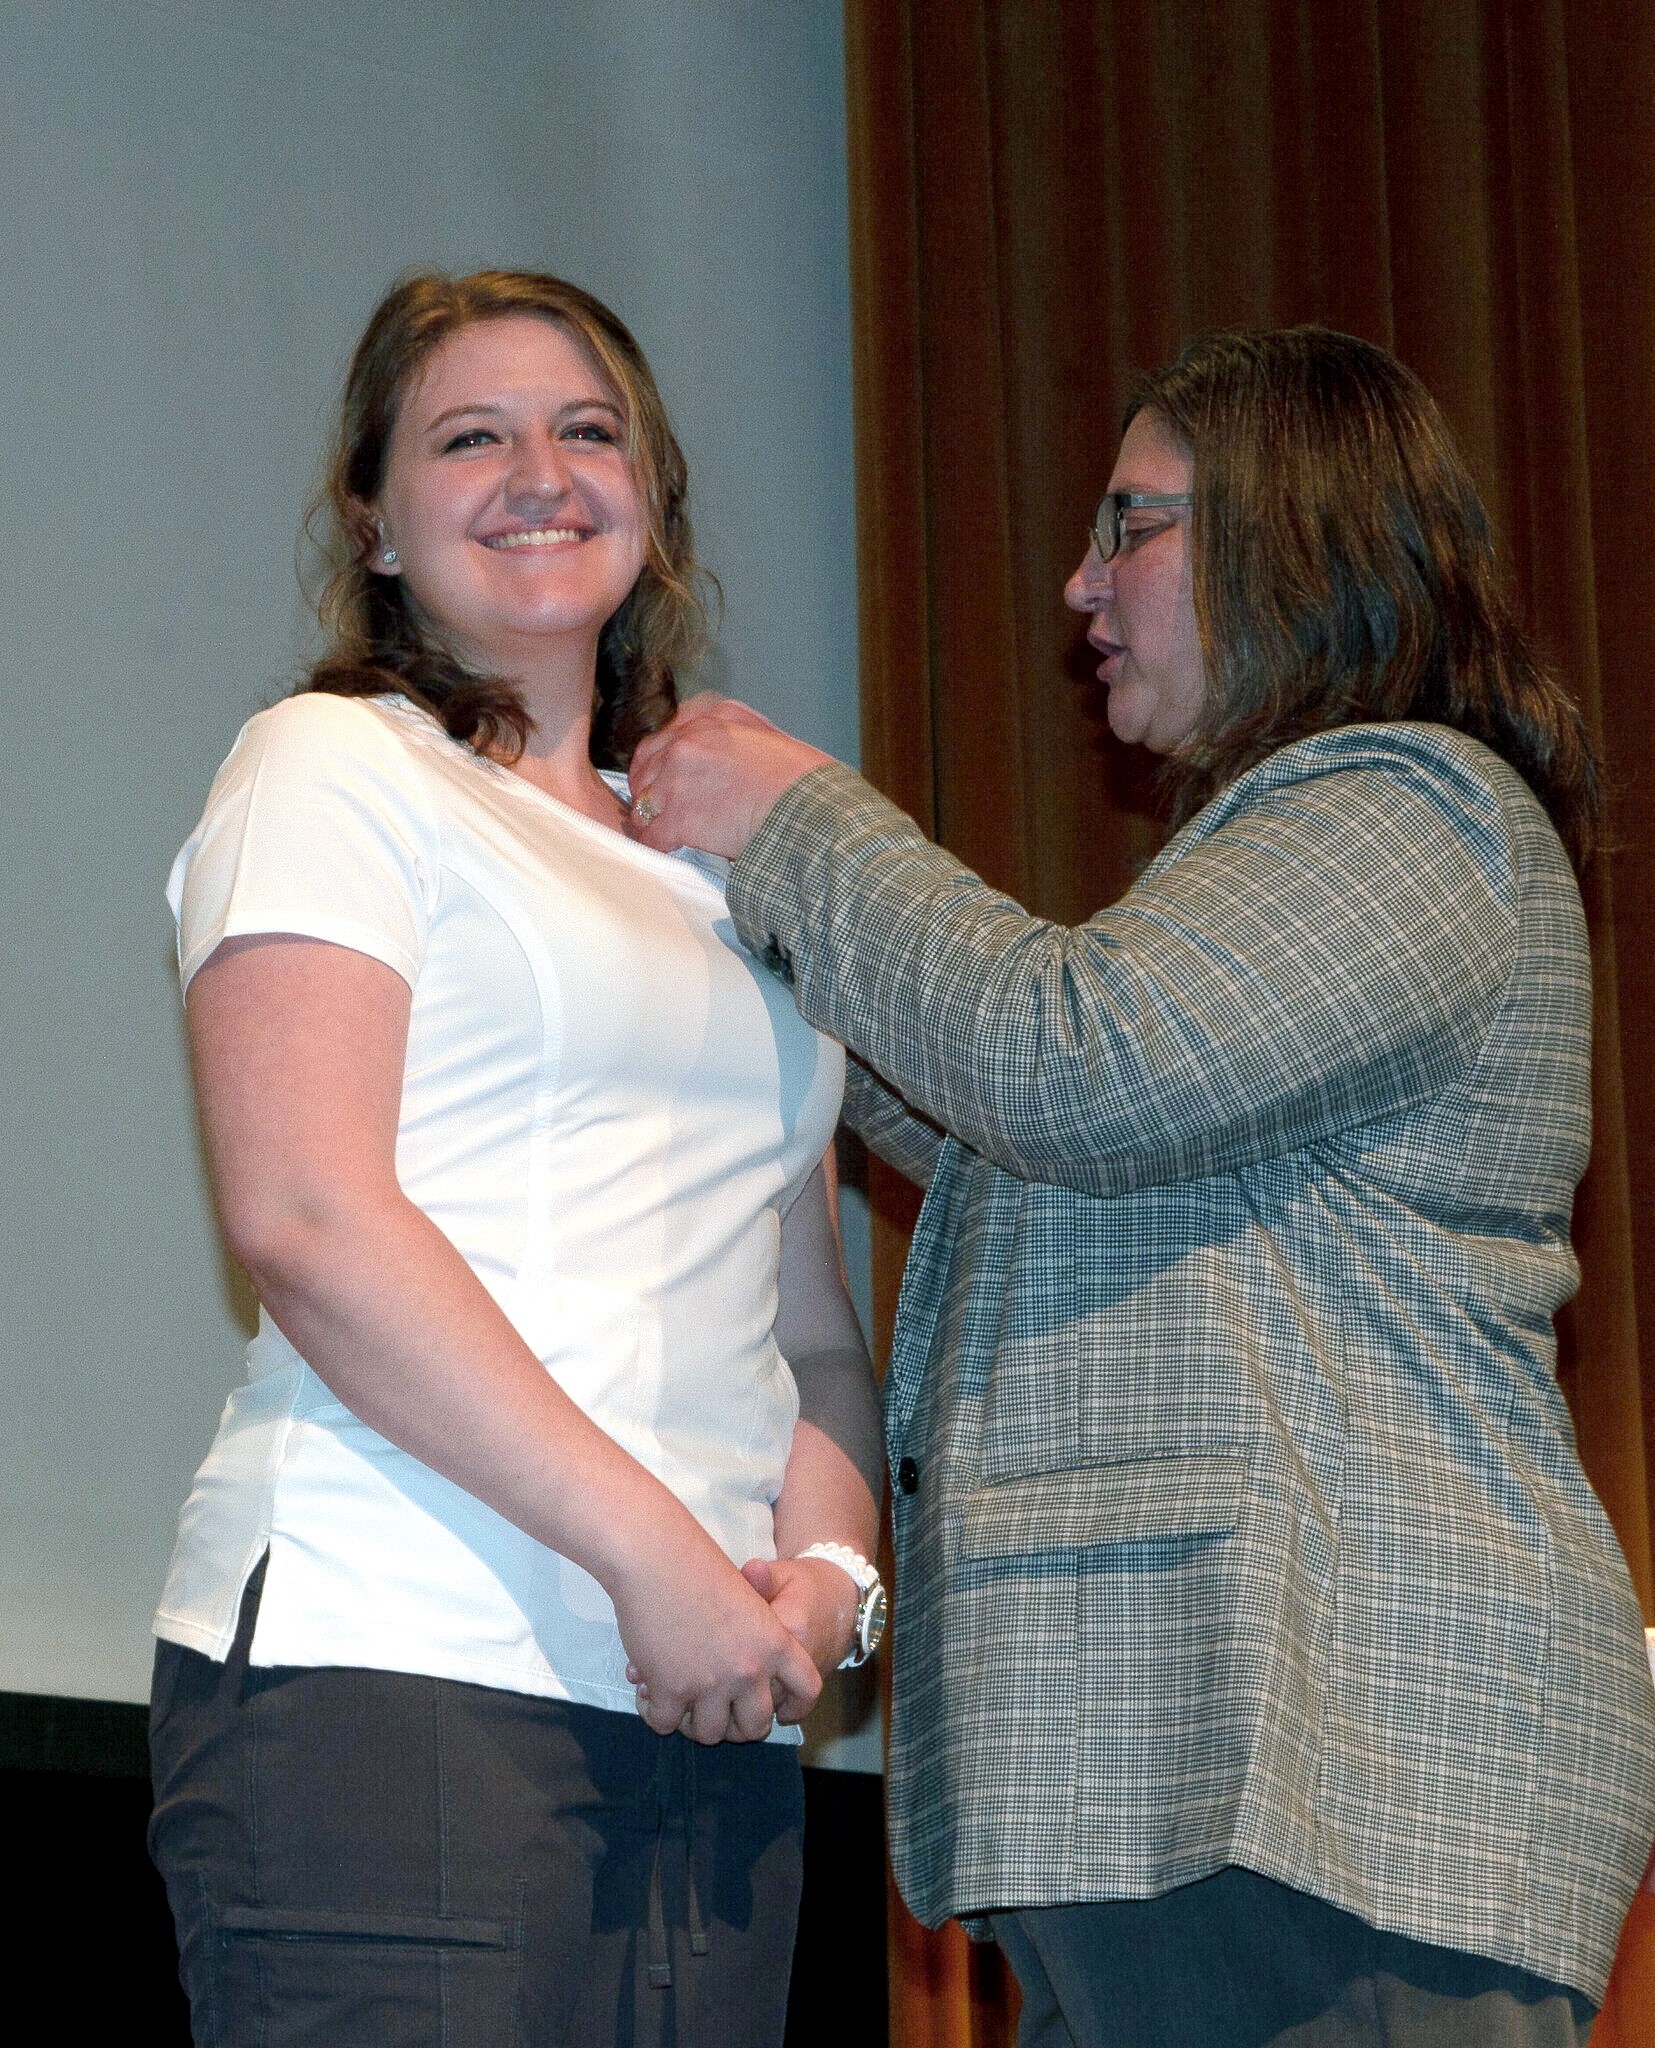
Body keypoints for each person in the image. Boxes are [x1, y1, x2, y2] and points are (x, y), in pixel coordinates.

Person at [627, 327, 1655, 2047]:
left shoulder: (1416, 808)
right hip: (1226, 1789)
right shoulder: (1314, 845)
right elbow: (1009, 1122)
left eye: (1135, 527)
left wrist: (796, 818)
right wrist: (733, 932)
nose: (1078, 581)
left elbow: (1069, 1063)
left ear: (1296, 538)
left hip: (1338, 1776)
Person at [147, 269, 884, 2048]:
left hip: (705, 1717)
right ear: (375, 523)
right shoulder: (329, 766)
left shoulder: (723, 862)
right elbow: (308, 1216)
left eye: (586, 430)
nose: (538, 472)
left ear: (655, 497)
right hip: (400, 1672)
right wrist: (653, 1557)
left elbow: (809, 1338)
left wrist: (834, 1581)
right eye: (468, 436)